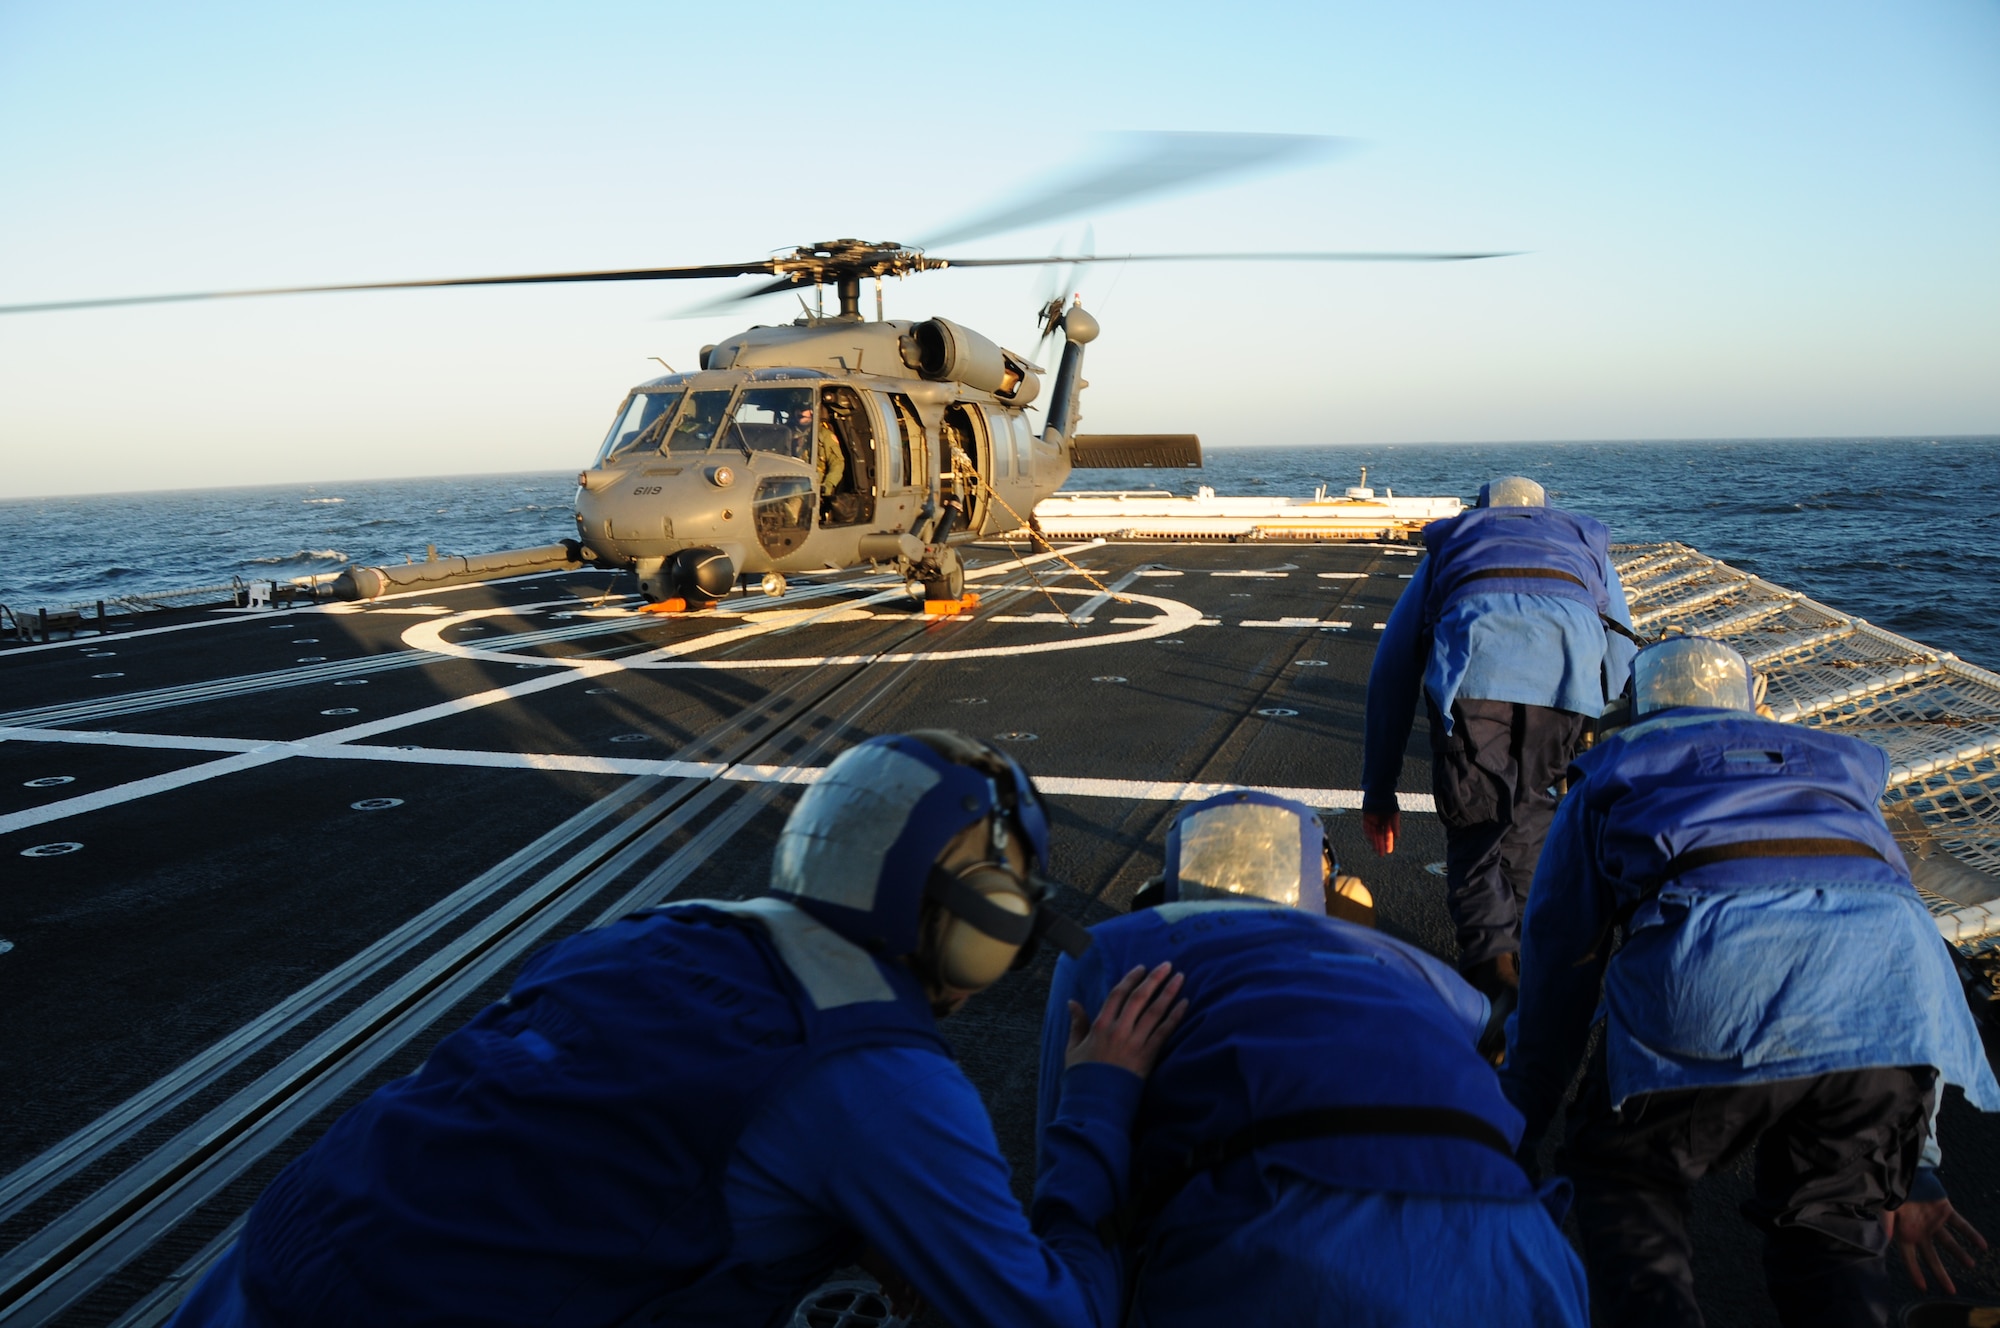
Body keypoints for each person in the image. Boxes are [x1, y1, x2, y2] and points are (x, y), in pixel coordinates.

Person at [168, 731, 1186, 1328]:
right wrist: (1096, 1100)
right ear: (985, 921)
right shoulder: (881, 1081)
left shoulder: (653, 934)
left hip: (259, 1271)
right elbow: (1052, 1315)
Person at [1502, 637, 2000, 1327]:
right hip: (1892, 1000)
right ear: (1752, 707)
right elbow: (1899, 948)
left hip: (1711, 988)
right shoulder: (1835, 770)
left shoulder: (1615, 769)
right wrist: (1914, 1166)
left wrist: (1515, 1133)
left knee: (1627, 1181)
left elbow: (1560, 970)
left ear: (1637, 709)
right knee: (1834, 1237)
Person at [1035, 791, 1589, 1326]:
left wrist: (1098, 1099)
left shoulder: (1112, 951)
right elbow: (1485, 1038)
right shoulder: (1410, 965)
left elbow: (1065, 1218)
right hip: (1519, 1255)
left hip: (1282, 1254)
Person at [1362, 475, 1639, 1033]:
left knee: (1476, 823)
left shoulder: (1459, 539)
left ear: (1481, 508)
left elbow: (1393, 667)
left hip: (1476, 678)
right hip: (1566, 680)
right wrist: (1607, 755)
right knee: (1535, 813)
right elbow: (1623, 650)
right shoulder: (1580, 539)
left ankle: (1494, 981)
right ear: (1546, 509)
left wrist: (1380, 788)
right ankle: (1532, 973)